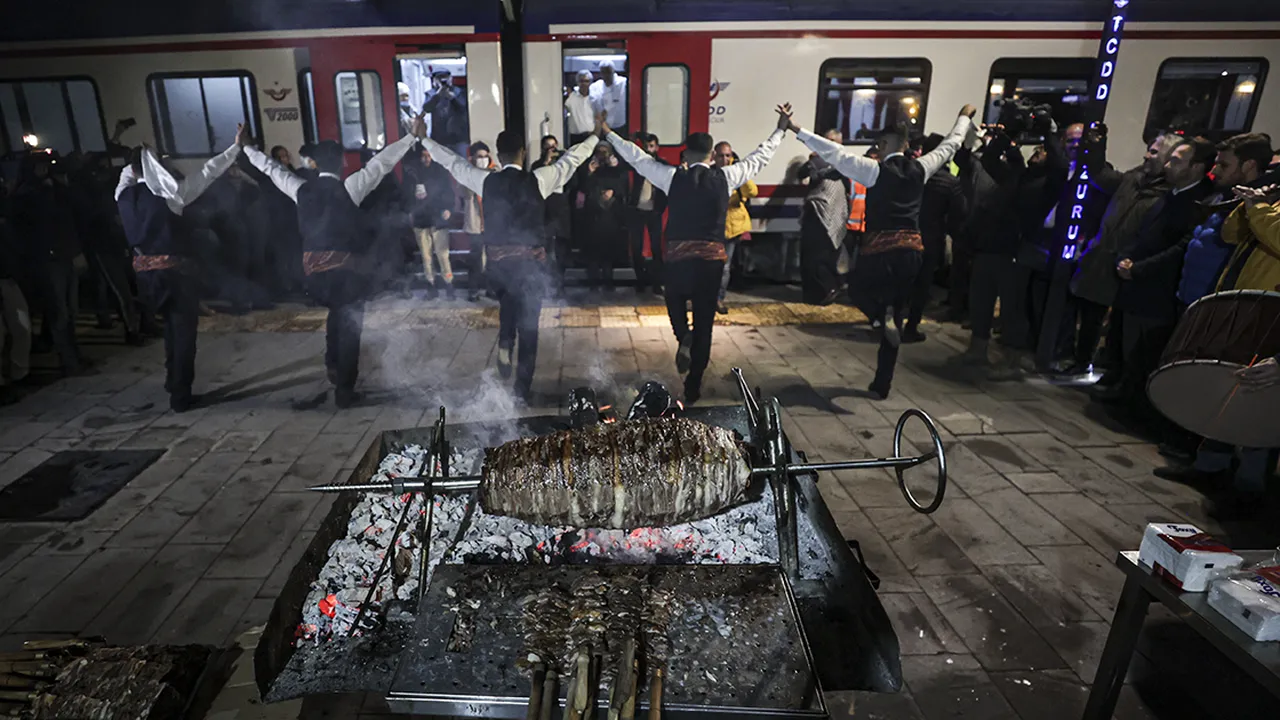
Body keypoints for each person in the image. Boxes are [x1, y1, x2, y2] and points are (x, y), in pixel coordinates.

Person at [786, 104, 977, 399]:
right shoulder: (921, 168)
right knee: (896, 318)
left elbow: (835, 153)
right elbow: (950, 144)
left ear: (886, 145)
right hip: (912, 252)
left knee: (858, 290)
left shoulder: (874, 170)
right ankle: (881, 383)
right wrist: (963, 117)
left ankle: (877, 317)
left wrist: (796, 129)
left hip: (880, 251)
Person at [604, 107, 786, 403]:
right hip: (711, 262)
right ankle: (694, 384)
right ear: (712, 154)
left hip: (679, 259)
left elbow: (638, 159)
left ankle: (682, 336)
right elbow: (758, 159)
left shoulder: (672, 177)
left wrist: (609, 134)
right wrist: (780, 130)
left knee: (674, 299)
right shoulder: (726, 177)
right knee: (705, 321)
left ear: (686, 155)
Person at [245, 115, 426, 408]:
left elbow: (271, 170)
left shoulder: (300, 188)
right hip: (344, 274)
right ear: (341, 162)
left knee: (335, 316)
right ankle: (344, 388)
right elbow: (381, 164)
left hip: (313, 275)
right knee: (350, 323)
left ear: (314, 164)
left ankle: (331, 363)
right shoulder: (350, 187)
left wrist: (248, 149)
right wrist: (411, 138)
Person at [421, 123, 601, 402]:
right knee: (529, 326)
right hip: (530, 265)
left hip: (498, 265)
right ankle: (522, 390)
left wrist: (424, 138)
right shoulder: (539, 179)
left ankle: (505, 340)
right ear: (523, 152)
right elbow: (572, 159)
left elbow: (452, 162)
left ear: (497, 154)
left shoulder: (485, 180)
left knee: (508, 303)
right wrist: (595, 135)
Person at [1151, 133, 1279, 520]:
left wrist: (1257, 207)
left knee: (1259, 398)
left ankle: (1249, 485)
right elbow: (1229, 234)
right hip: (1243, 306)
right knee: (1229, 389)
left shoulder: (1269, 209)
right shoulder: (1267, 205)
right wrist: (1249, 205)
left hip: (1269, 314)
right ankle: (1210, 467)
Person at [116, 126, 246, 411]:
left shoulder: (123, 195)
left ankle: (171, 380)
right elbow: (210, 171)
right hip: (175, 275)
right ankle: (180, 394)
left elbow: (128, 174)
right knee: (184, 331)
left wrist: (139, 155)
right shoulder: (172, 196)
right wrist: (235, 148)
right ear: (157, 167)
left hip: (145, 277)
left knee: (169, 330)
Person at [1110, 137, 1215, 422]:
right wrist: (1126, 257)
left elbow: (1179, 248)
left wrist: (1140, 267)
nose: (1168, 165)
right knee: (1128, 349)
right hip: (1136, 282)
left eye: (1176, 161)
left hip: (1159, 291)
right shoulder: (1170, 194)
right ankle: (1123, 395)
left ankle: (1140, 413)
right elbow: (1143, 234)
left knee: (1147, 355)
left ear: (1197, 167)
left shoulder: (1199, 202)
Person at [1071, 134, 1181, 389]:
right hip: (1104, 257)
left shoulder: (1167, 194)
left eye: (1154, 152)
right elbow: (1102, 177)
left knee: (1118, 325)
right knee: (1091, 313)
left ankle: (1113, 374)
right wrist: (1097, 147)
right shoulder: (1133, 178)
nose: (1147, 156)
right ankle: (1084, 362)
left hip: (1131, 263)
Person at [951, 126, 1024, 366]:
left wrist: (1009, 140)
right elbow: (975, 158)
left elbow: (997, 160)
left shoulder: (1017, 178)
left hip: (1008, 250)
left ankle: (1011, 359)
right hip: (985, 245)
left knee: (1010, 309)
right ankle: (977, 347)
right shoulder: (991, 172)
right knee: (980, 301)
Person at [13, 152, 82, 376]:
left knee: (70, 310)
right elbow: (36, 226)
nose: (44, 171)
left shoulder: (52, 189)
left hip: (63, 255)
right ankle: (68, 361)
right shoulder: (27, 194)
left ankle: (74, 355)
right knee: (59, 311)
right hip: (48, 260)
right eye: (39, 167)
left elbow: (69, 212)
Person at [904, 133, 967, 342]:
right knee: (922, 286)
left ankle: (890, 322)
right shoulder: (950, 183)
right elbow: (958, 215)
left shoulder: (912, 174)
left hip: (906, 235)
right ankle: (911, 327)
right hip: (931, 239)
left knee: (901, 282)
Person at [796, 131, 849, 305]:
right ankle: (823, 291)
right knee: (816, 256)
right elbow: (802, 173)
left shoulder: (843, 162)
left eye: (831, 141)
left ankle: (827, 289)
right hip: (819, 213)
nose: (827, 143)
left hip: (828, 216)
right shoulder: (818, 160)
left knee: (819, 256)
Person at [405, 144, 457, 298]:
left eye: (429, 155)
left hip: (438, 219)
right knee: (426, 257)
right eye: (423, 155)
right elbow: (406, 194)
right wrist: (412, 201)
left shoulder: (440, 172)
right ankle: (431, 285)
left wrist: (448, 208)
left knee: (442, 255)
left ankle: (449, 283)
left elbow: (449, 192)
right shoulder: (413, 173)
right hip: (421, 219)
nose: (426, 159)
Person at [577, 142, 629, 291]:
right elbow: (582, 188)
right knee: (592, 253)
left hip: (610, 215)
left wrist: (613, 190)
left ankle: (608, 282)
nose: (603, 155)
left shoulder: (616, 168)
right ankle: (593, 283)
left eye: (605, 152)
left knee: (608, 252)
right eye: (600, 151)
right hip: (593, 215)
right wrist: (589, 172)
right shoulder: (589, 167)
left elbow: (623, 186)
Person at [718, 143, 757, 314]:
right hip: (712, 227)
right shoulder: (710, 172)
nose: (725, 159)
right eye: (721, 156)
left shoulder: (737, 173)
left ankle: (718, 299)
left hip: (731, 227)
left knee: (725, 267)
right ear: (714, 156)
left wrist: (743, 172)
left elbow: (752, 192)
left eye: (728, 156)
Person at [532, 136, 574, 293]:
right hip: (545, 213)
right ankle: (546, 284)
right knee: (546, 252)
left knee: (562, 251)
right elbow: (533, 184)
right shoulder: (537, 165)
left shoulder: (565, 165)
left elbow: (574, 183)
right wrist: (546, 163)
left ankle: (560, 284)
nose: (552, 150)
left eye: (554, 147)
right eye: (548, 147)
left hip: (562, 212)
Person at [627, 132, 667, 295]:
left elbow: (665, 190)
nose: (648, 149)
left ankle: (657, 283)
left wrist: (660, 208)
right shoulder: (638, 165)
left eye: (651, 146)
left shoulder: (662, 166)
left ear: (657, 147)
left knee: (657, 249)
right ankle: (641, 281)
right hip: (637, 211)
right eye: (646, 146)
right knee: (636, 248)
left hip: (654, 212)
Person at [463, 142, 495, 300]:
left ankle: (491, 288)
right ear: (473, 158)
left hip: (492, 223)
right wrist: (474, 171)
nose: (483, 159)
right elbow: (466, 192)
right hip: (475, 223)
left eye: (485, 156)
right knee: (475, 258)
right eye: (479, 157)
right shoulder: (467, 173)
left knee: (492, 258)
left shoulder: (495, 172)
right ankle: (473, 289)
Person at [423, 70, 469, 155]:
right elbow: (426, 108)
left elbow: (463, 109)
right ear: (434, 80)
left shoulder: (459, 92)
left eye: (445, 77)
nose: (443, 80)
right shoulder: (431, 94)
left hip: (459, 138)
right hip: (439, 138)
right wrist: (437, 96)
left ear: (451, 79)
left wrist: (452, 98)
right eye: (440, 78)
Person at [590, 60, 628, 139]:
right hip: (603, 127)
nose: (606, 75)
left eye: (608, 72)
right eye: (603, 72)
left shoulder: (624, 83)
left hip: (620, 126)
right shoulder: (595, 87)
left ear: (613, 71)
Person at [565, 70, 595, 145]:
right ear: (577, 82)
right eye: (581, 81)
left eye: (587, 81)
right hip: (576, 137)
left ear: (590, 82)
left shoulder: (595, 98)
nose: (584, 84)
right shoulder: (571, 97)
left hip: (592, 136)